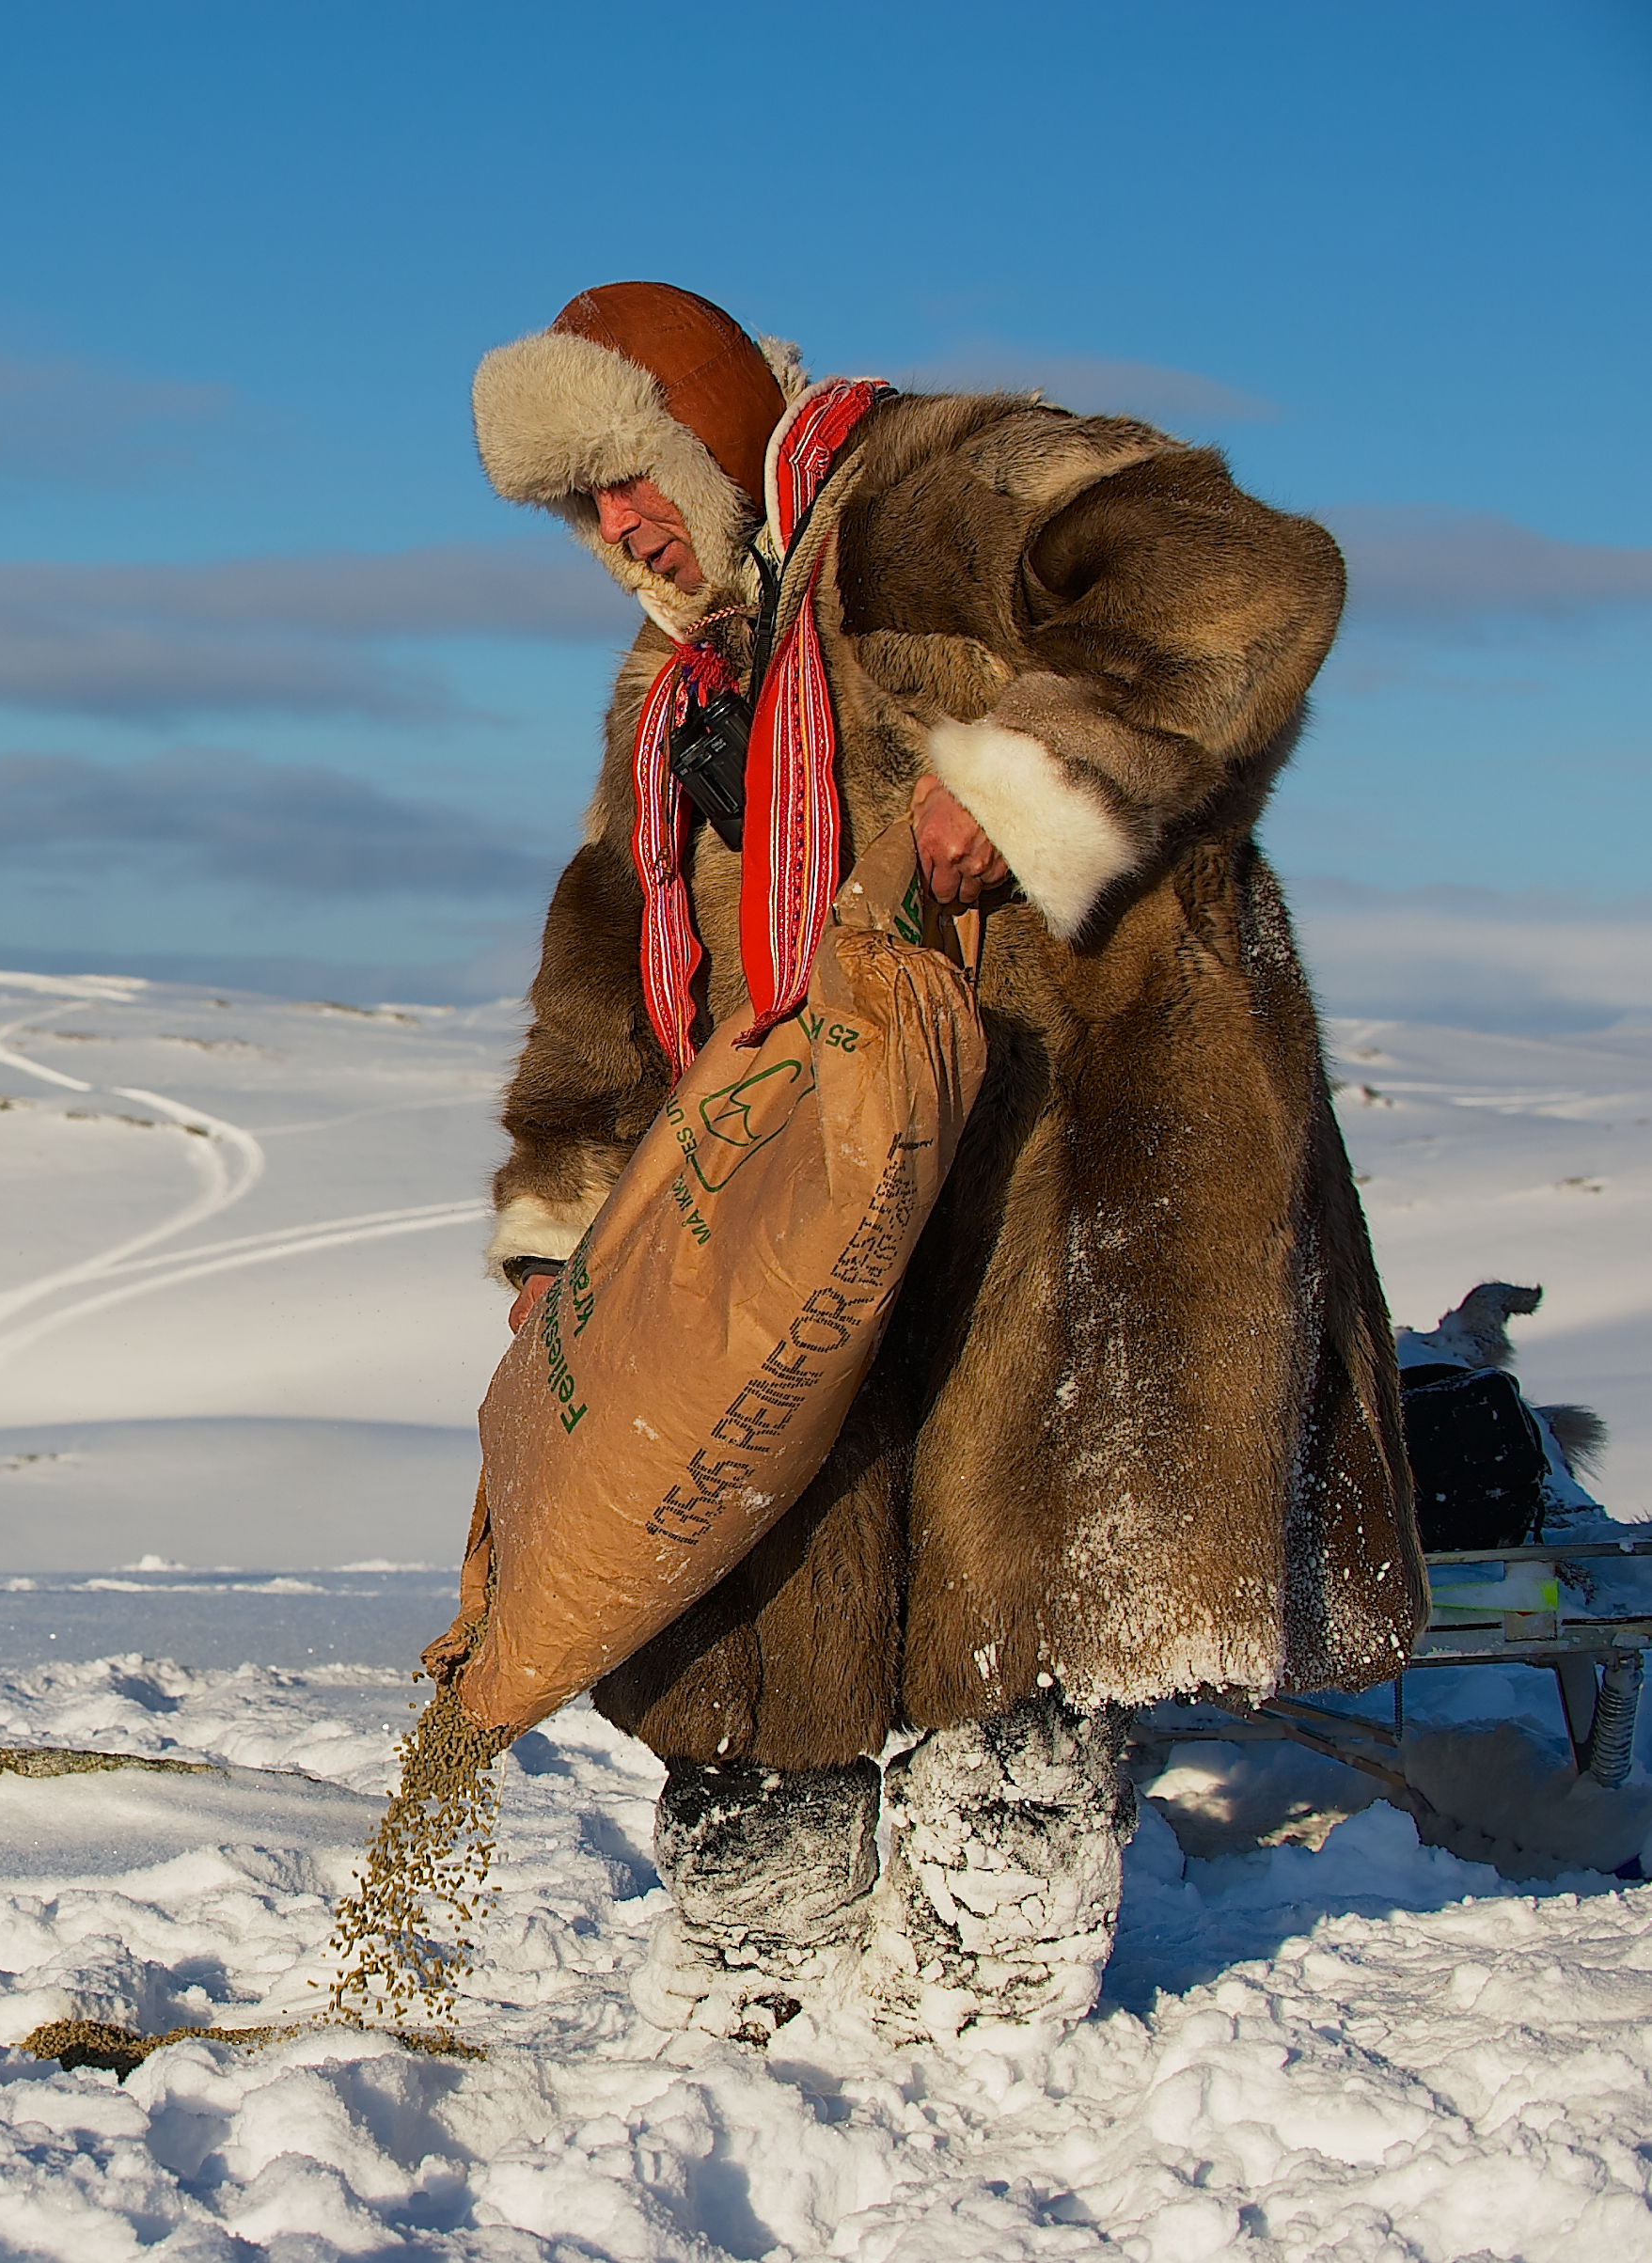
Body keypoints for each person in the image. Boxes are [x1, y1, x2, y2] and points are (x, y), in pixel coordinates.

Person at [464, 282, 1422, 2045]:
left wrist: (1037, 767)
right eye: (577, 511)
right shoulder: (680, 690)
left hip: (1065, 1138)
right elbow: (612, 945)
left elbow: (1243, 571)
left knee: (1022, 1591)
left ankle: (989, 2005)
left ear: (701, 425)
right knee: (750, 1553)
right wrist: (565, 1219)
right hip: (790, 1174)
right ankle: (755, 1952)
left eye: (621, 477)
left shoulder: (947, 481)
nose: (614, 532)